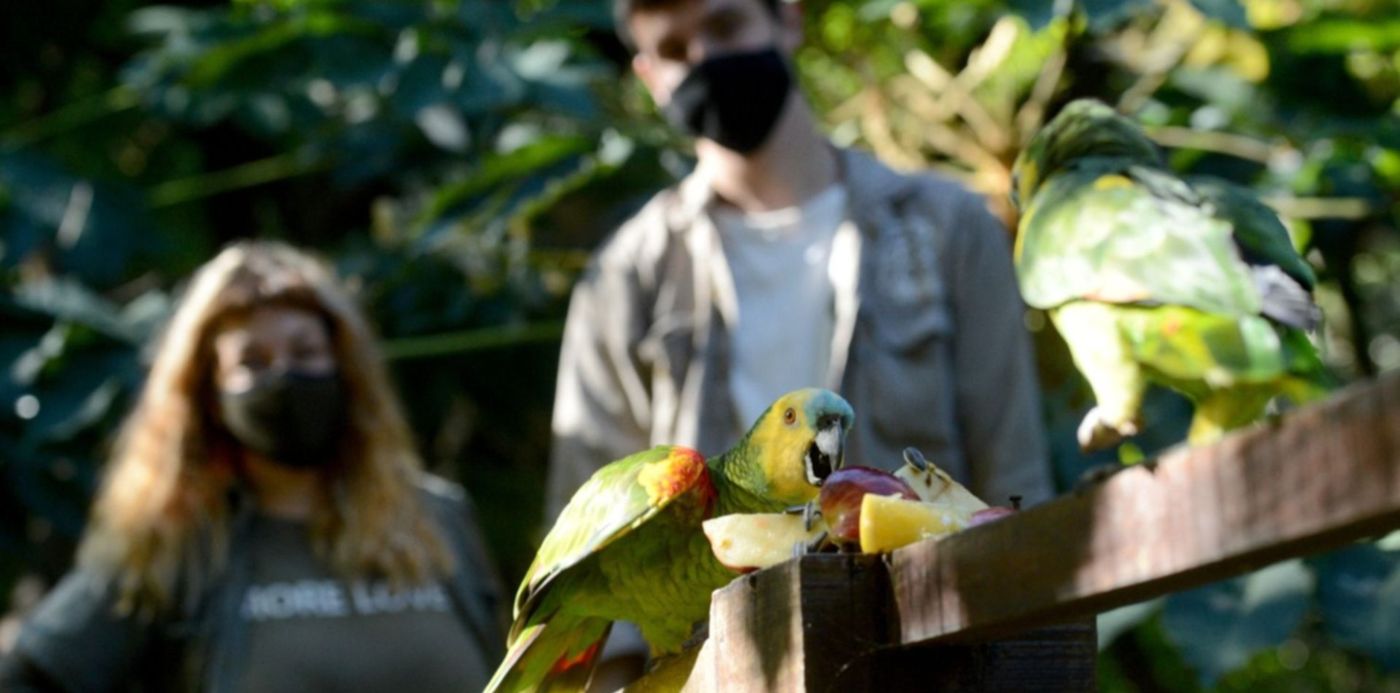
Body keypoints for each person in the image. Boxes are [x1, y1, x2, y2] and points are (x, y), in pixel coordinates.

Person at [546, 0, 1055, 686]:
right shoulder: (625, 280)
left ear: (787, 19)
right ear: (645, 74)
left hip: (928, 664)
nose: (705, 61)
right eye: (673, 49)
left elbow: (1014, 488)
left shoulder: (949, 231)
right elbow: (591, 566)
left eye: (725, 28)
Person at [0, 241, 504, 692]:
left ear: (346, 367)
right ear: (210, 397)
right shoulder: (169, 548)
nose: (284, 376)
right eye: (252, 363)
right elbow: (31, 675)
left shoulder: (439, 521)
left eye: (305, 352)